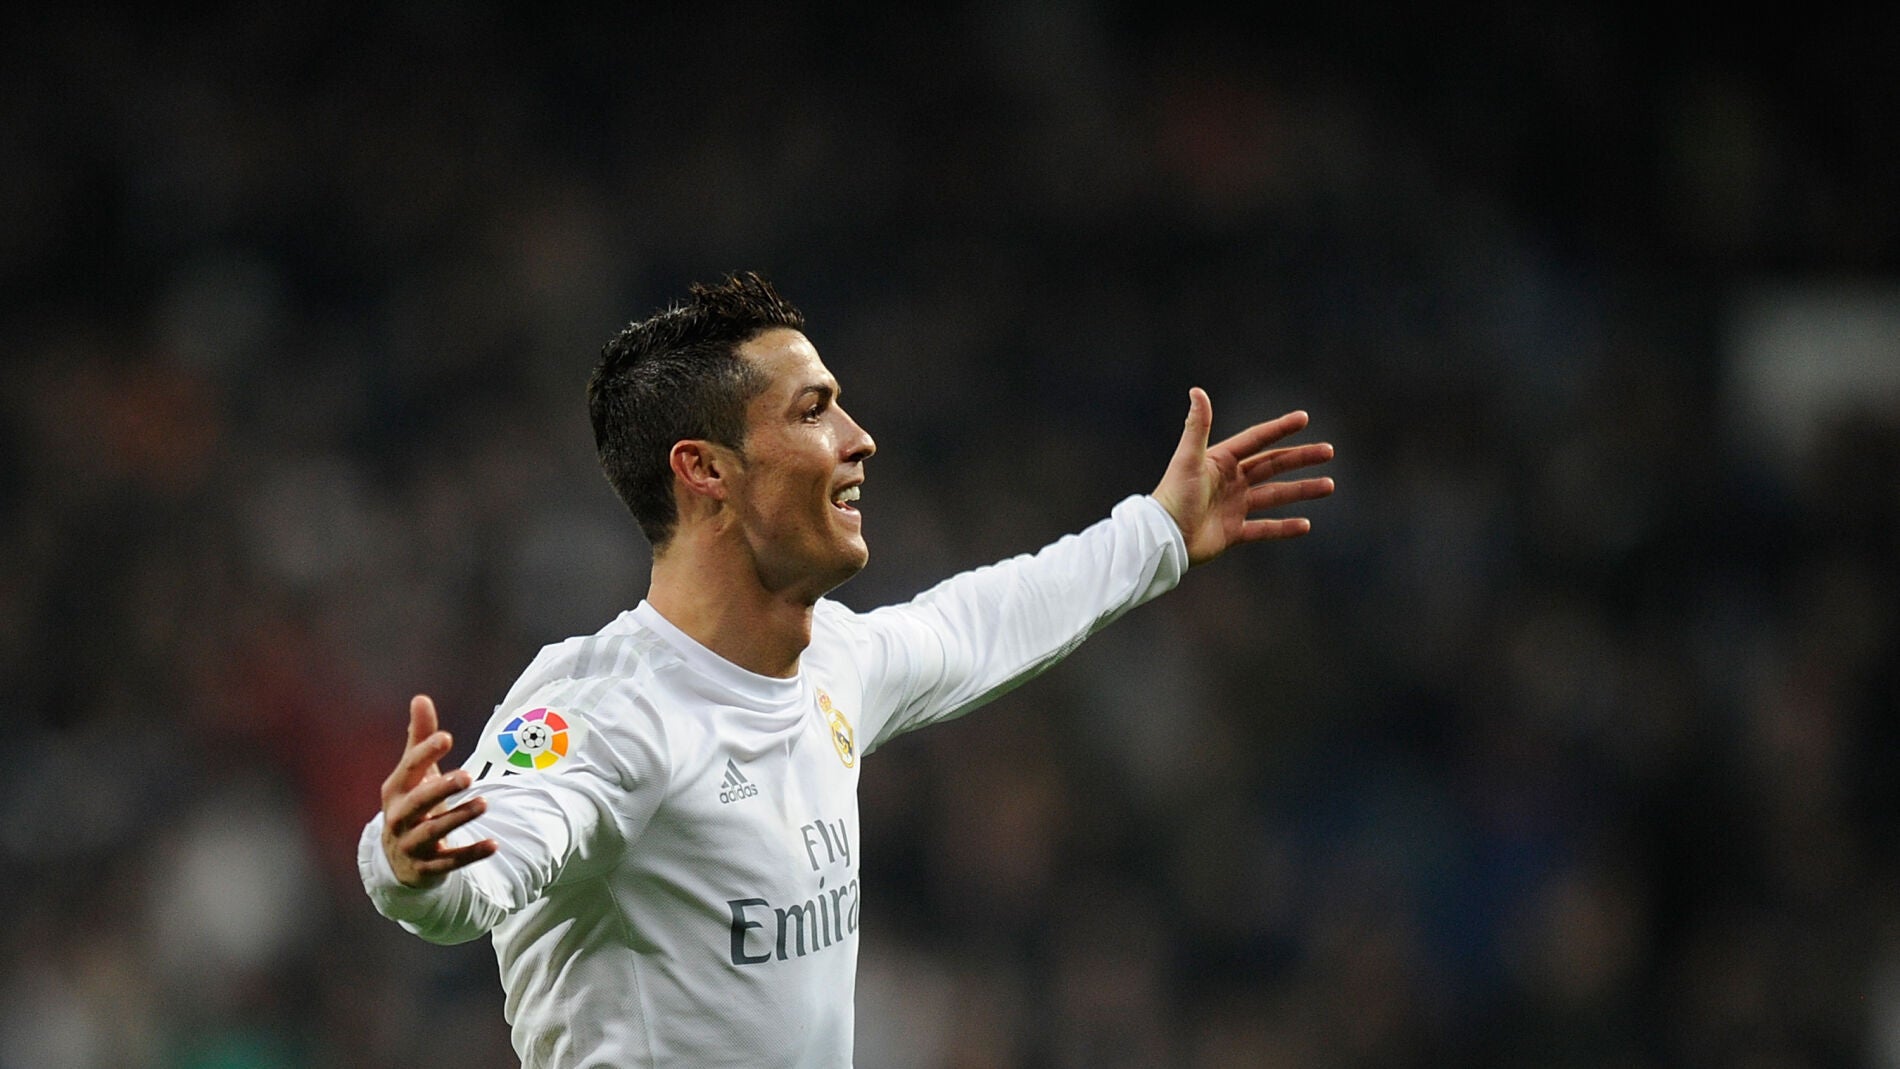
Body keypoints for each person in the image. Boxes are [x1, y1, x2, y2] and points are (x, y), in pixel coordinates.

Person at [358, 271, 1336, 1068]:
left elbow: (987, 617)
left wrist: (1158, 531)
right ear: (706, 472)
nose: (859, 438)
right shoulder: (610, 712)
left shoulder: (830, 664)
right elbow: (481, 873)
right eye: (815, 410)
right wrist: (407, 866)